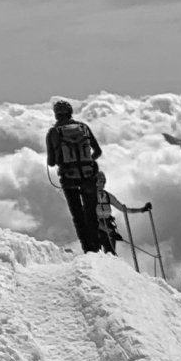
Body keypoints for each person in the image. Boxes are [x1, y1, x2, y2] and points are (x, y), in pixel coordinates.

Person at [46, 100, 105, 252]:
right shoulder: (83, 127)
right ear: (71, 112)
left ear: (56, 114)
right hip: (88, 176)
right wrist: (87, 161)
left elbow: (51, 162)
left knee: (78, 216)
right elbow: (97, 151)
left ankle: (87, 249)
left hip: (68, 178)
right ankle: (97, 248)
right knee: (91, 214)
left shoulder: (53, 132)